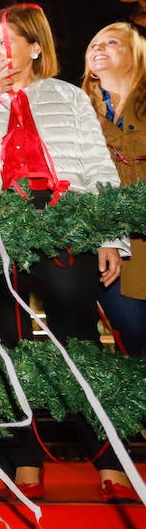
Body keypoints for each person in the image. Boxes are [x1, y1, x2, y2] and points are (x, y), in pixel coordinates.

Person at [0, 4, 132, 502]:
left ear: (35, 47)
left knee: (78, 340)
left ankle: (109, 458)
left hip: (63, 219)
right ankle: (25, 458)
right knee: (7, 342)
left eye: (5, 42)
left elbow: (96, 163)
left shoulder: (67, 96)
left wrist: (112, 236)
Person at [82, 23, 146, 357]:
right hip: (112, 247)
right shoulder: (77, 109)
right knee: (134, 335)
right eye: (94, 44)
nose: (98, 48)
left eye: (111, 42)